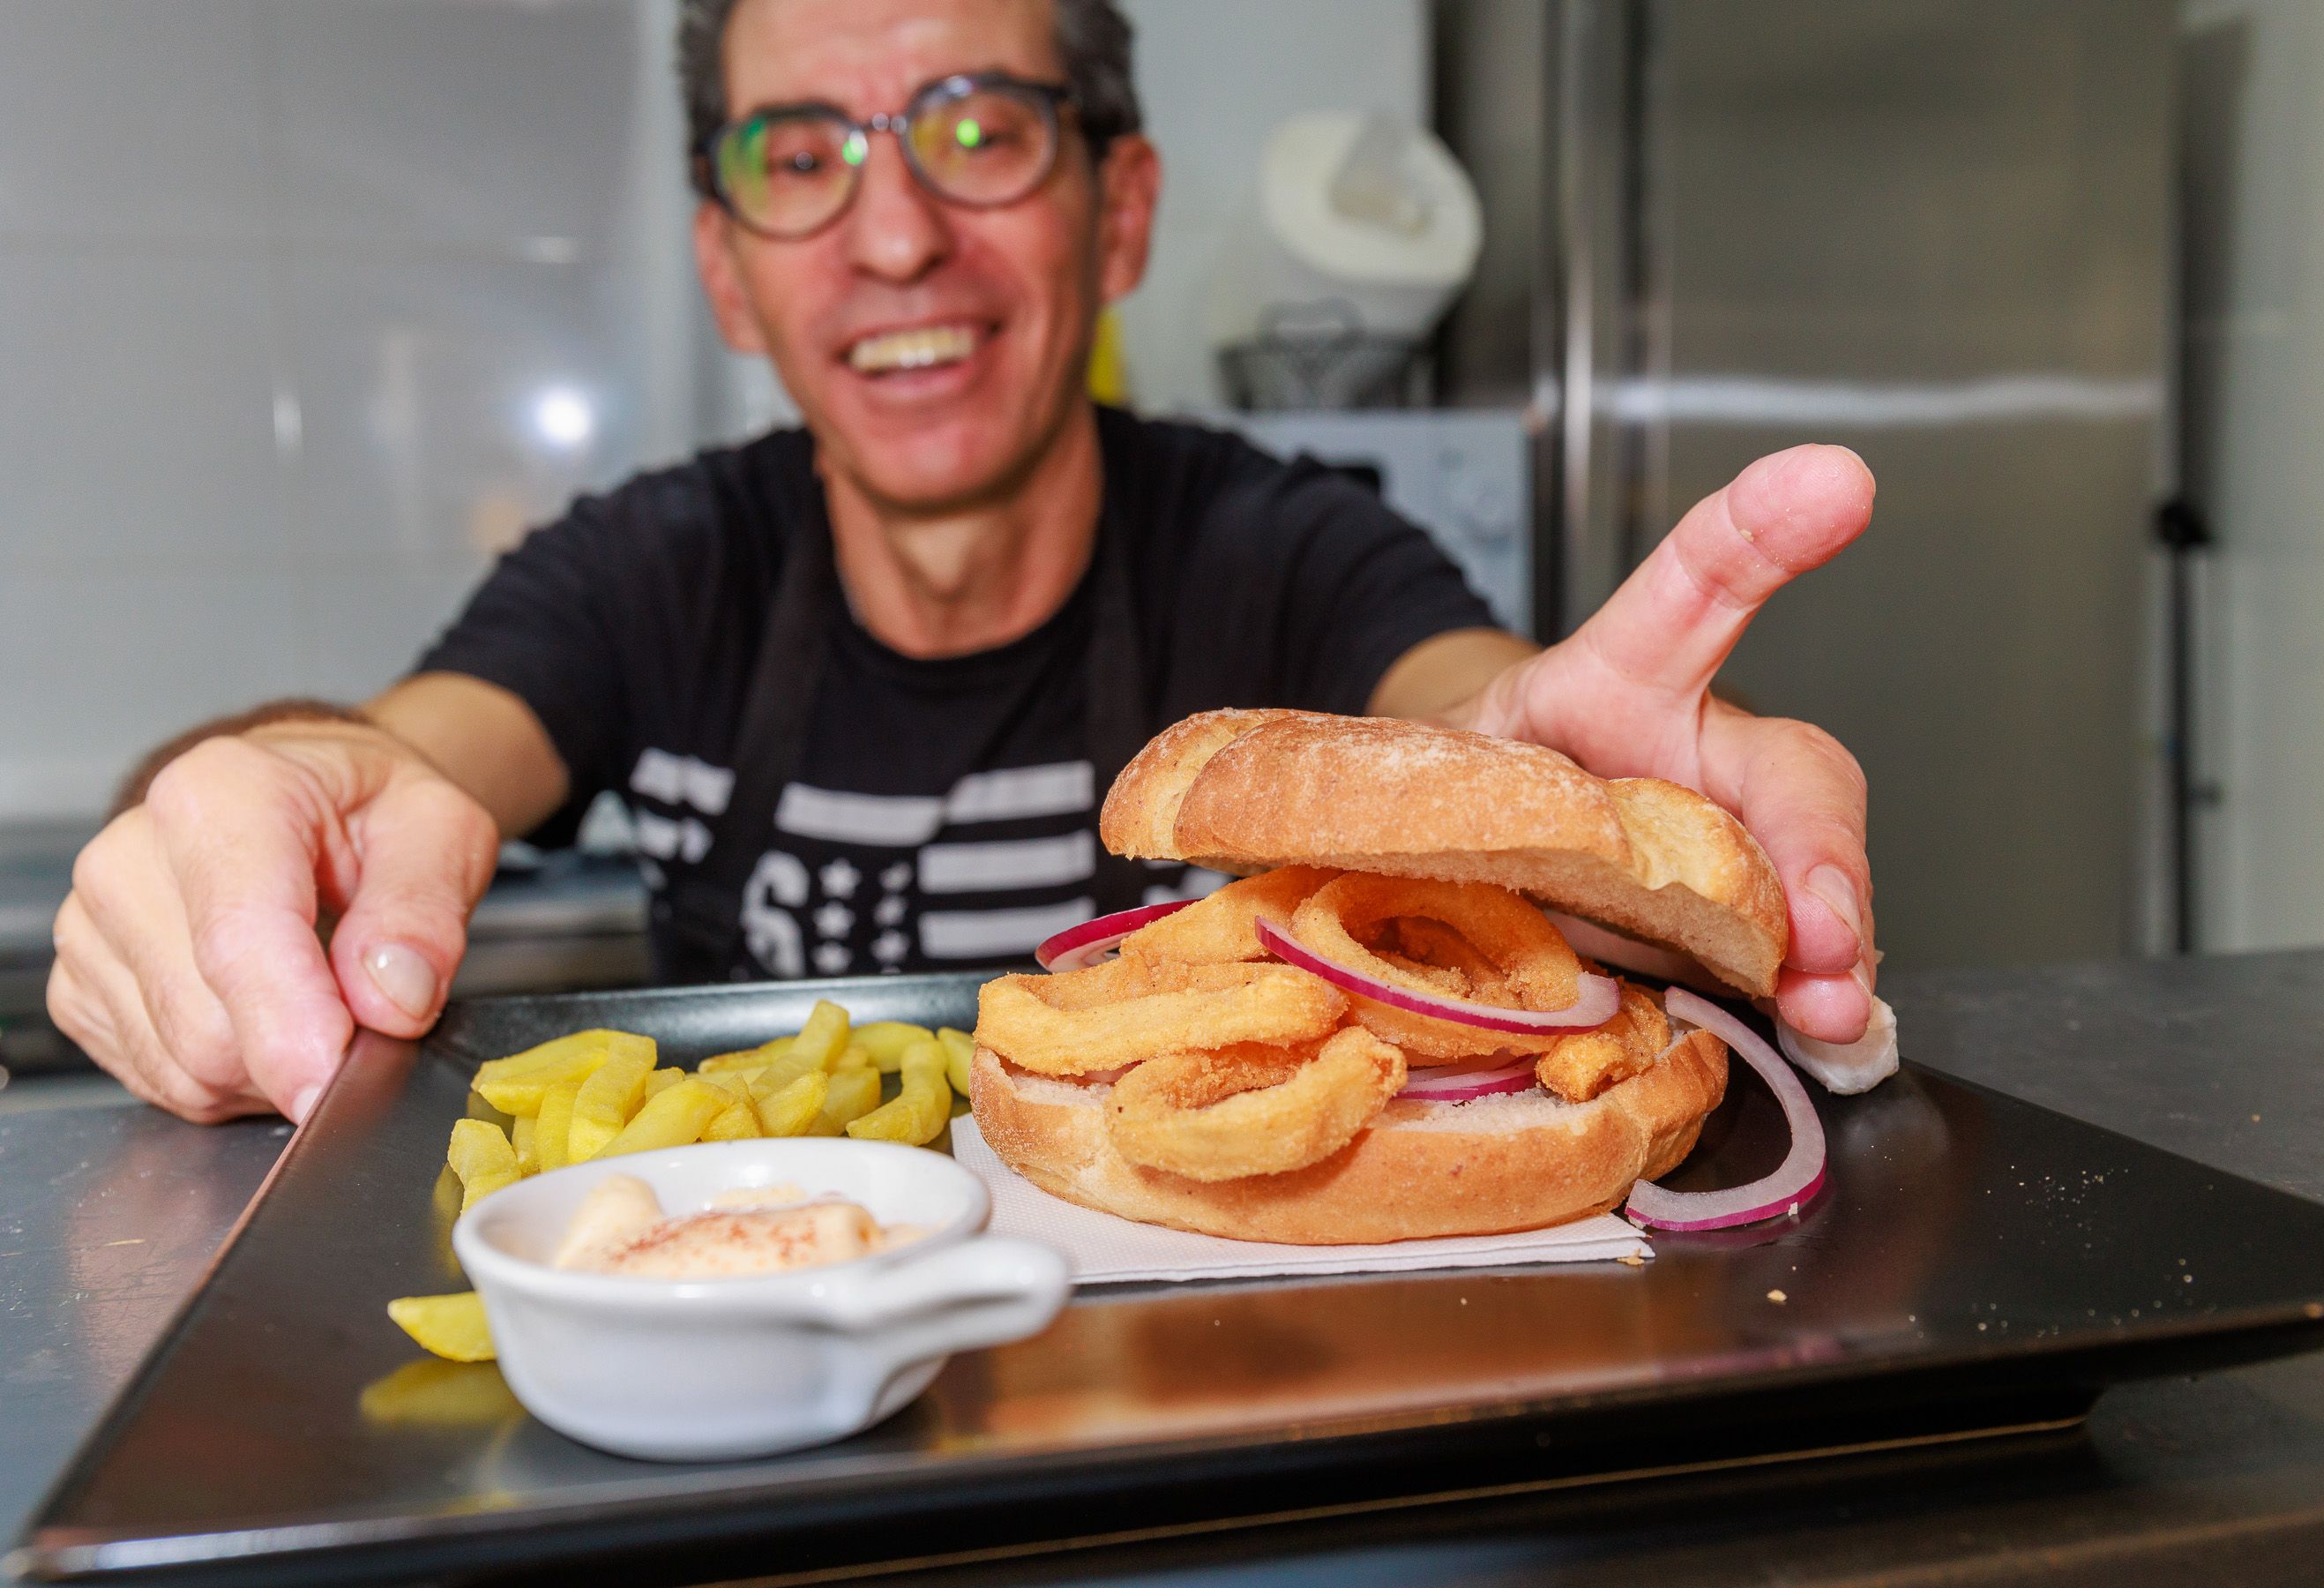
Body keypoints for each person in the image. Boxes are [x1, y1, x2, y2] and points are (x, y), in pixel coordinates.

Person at [47, 0, 1879, 1126]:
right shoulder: (648, 568)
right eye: (801, 158)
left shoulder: (1288, 546)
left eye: (981, 131)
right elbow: (396, 762)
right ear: (726, 266)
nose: (897, 237)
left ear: (1121, 212)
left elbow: (1464, 712)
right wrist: (277, 802)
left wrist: (1547, 797)